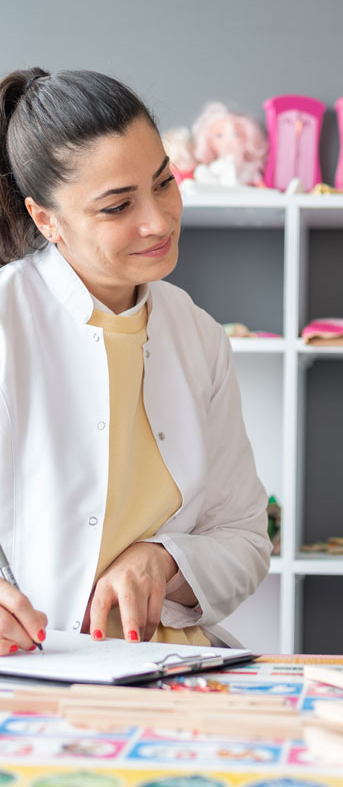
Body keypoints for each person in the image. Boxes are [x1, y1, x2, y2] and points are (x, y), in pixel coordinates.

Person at [0, 67, 271, 655]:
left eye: (164, 182)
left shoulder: (197, 335)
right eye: (118, 205)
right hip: (34, 670)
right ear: (46, 220)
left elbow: (246, 538)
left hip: (177, 663)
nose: (158, 220)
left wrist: (164, 559)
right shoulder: (7, 321)